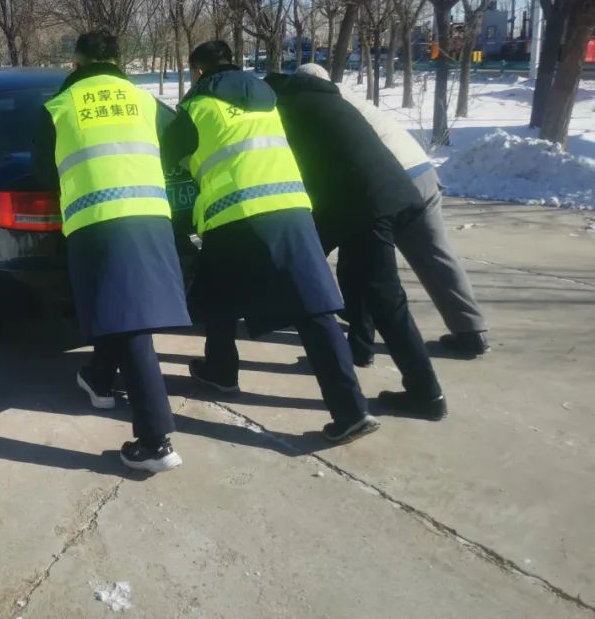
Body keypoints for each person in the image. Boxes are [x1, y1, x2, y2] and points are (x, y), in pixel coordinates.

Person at [161, 41, 379, 443]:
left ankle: (226, 373)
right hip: (291, 207)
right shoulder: (268, 99)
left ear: (197, 71)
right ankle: (348, 408)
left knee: (220, 299)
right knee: (310, 307)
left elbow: (167, 154)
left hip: (234, 212)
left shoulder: (196, 106)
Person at [32, 31, 192, 473]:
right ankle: (99, 379)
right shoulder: (143, 100)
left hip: (96, 219)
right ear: (117, 60)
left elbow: (41, 167)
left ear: (77, 62)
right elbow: (186, 139)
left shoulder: (61, 106)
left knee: (132, 323)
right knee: (119, 311)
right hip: (151, 216)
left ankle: (155, 442)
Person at [263, 64, 447, 420]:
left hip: (367, 205)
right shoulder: (319, 98)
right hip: (386, 195)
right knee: (353, 275)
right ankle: (360, 350)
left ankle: (426, 393)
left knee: (386, 300)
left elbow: (299, 172)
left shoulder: (287, 111)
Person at [327, 74, 490, 360]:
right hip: (423, 172)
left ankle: (361, 340)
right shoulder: (353, 99)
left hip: (390, 184)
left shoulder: (323, 108)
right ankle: (471, 331)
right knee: (438, 255)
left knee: (364, 263)